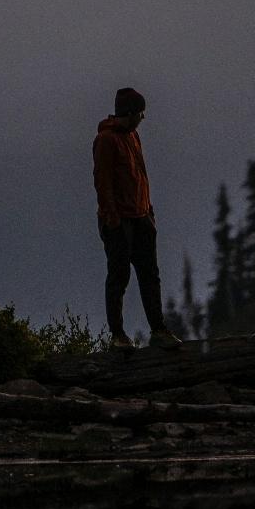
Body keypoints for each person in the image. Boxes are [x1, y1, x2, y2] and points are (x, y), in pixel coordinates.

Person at [93, 87, 181, 349]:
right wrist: (112, 220)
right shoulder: (106, 140)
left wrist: (149, 211)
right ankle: (118, 336)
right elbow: (103, 182)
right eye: (141, 113)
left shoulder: (134, 138)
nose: (143, 118)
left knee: (149, 275)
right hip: (119, 220)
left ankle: (158, 330)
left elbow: (141, 175)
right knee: (119, 276)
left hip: (141, 217)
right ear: (130, 113)